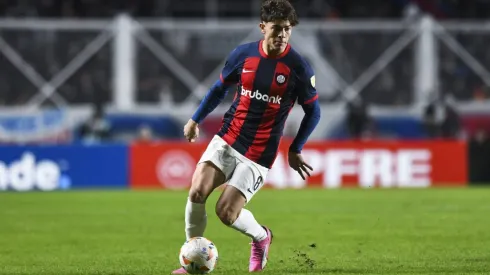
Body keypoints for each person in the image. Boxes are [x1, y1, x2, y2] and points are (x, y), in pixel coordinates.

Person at [172, 0, 321, 273]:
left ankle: (262, 237)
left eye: (287, 29)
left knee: (226, 213)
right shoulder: (243, 55)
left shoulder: (298, 67)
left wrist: (295, 148)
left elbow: (314, 113)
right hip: (228, 138)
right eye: (277, 29)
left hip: (259, 153)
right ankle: (192, 257)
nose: (282, 35)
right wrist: (195, 120)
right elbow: (219, 90)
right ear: (263, 27)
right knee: (196, 192)